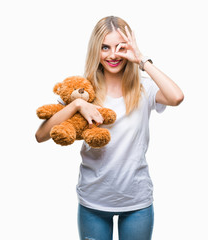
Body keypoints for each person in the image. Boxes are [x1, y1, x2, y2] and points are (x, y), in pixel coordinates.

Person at [35, 16, 184, 240]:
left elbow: (176, 97)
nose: (113, 55)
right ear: (96, 49)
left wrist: (142, 60)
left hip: (137, 202)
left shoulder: (144, 87)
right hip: (93, 202)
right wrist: (77, 105)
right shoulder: (83, 90)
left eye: (120, 47)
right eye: (105, 47)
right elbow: (40, 135)